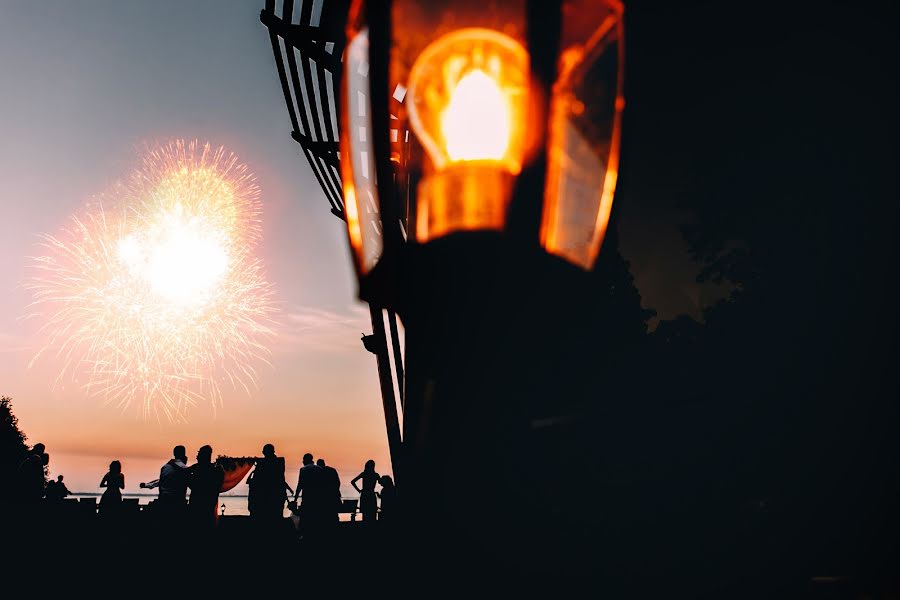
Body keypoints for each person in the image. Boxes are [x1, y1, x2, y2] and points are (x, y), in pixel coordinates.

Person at [247, 443, 292, 525]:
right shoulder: (277, 463)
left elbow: (279, 479)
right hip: (272, 496)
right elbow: (281, 479)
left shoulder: (265, 463)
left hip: (270, 496)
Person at [188, 445, 225, 533]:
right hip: (209, 506)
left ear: (203, 456)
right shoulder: (216, 469)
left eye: (199, 454)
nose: (197, 456)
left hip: (198, 506)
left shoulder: (197, 469)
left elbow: (191, 484)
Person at [294, 453, 326, 534]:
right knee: (316, 518)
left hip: (307, 497)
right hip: (318, 497)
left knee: (306, 518)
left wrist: (295, 498)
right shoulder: (320, 469)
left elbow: (300, 485)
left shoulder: (303, 469)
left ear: (305, 460)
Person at [351, 460, 380, 524]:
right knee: (372, 513)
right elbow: (381, 482)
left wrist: (359, 490)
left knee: (365, 513)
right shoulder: (376, 475)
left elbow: (352, 482)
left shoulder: (364, 474)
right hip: (371, 494)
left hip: (364, 494)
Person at [317, 458, 342, 523]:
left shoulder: (320, 472)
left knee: (325, 516)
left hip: (325, 497)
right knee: (334, 515)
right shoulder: (332, 470)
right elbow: (338, 482)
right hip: (335, 495)